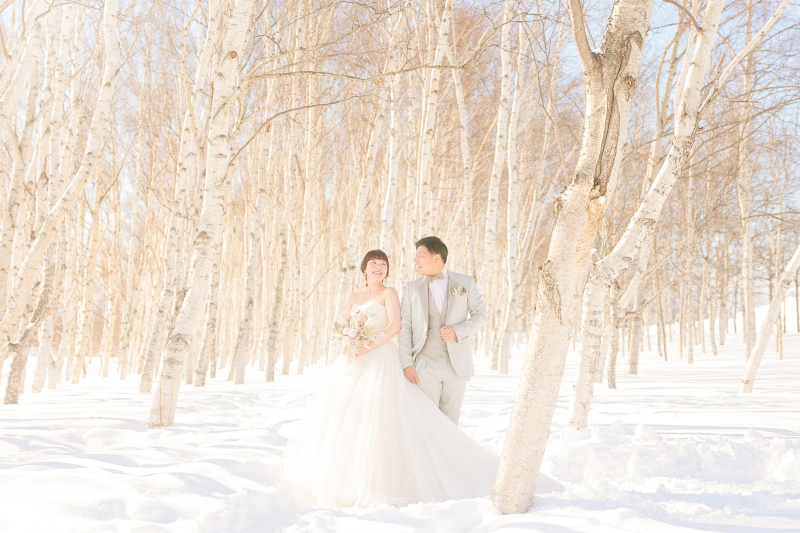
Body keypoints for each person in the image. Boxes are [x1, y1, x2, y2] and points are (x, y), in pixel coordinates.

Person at [284, 249, 497, 508]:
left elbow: (395, 326)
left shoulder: (389, 293)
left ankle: (383, 481)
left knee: (380, 417)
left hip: (380, 357)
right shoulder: (354, 296)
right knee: (345, 417)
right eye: (373, 263)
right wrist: (350, 347)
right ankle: (343, 478)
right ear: (364, 268)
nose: (378, 267)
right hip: (353, 360)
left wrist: (368, 345)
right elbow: (345, 327)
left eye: (383, 264)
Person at [398, 236, 488, 424]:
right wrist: (407, 363)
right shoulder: (411, 288)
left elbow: (481, 315)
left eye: (420, 256)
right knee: (426, 421)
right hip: (425, 363)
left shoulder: (465, 282)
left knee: (450, 423)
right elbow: (404, 326)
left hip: (457, 364)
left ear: (436, 257)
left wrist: (458, 331)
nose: (416, 261)